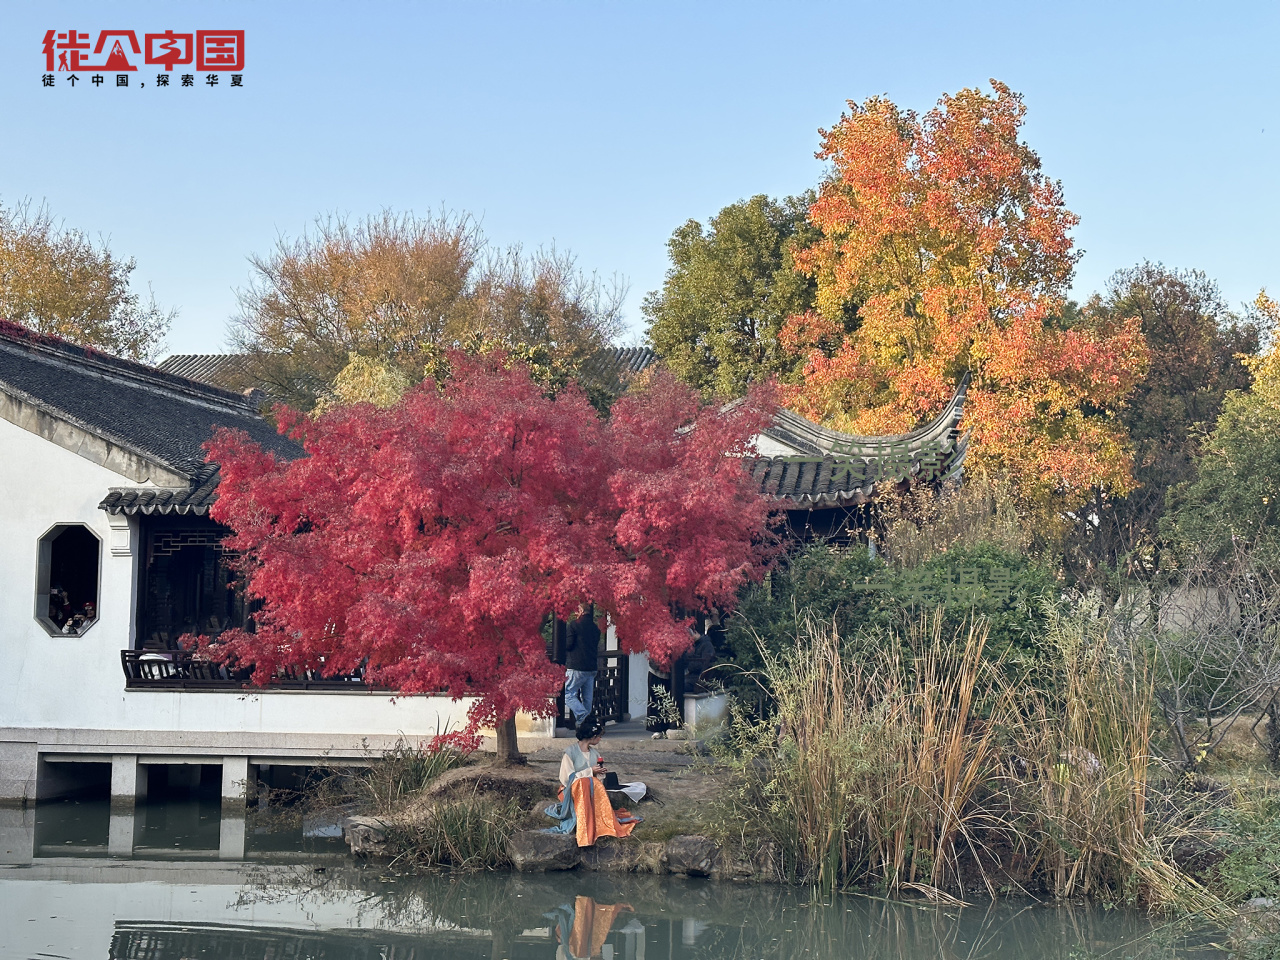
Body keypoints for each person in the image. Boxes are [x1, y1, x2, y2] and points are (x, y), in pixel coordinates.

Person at [544, 715, 641, 846]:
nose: (600, 739)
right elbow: (567, 777)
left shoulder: (595, 754)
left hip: (591, 790)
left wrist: (599, 773)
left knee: (591, 783)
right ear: (592, 736)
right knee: (584, 782)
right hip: (570, 790)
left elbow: (597, 781)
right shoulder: (570, 752)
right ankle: (585, 833)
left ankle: (594, 830)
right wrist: (590, 771)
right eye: (599, 736)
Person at [564, 602, 601, 724]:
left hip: (576, 666)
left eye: (576, 610)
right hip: (591, 667)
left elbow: (568, 645)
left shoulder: (574, 625)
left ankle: (584, 717)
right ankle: (587, 726)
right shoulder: (595, 628)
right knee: (587, 699)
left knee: (567, 694)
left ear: (581, 610)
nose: (575, 613)